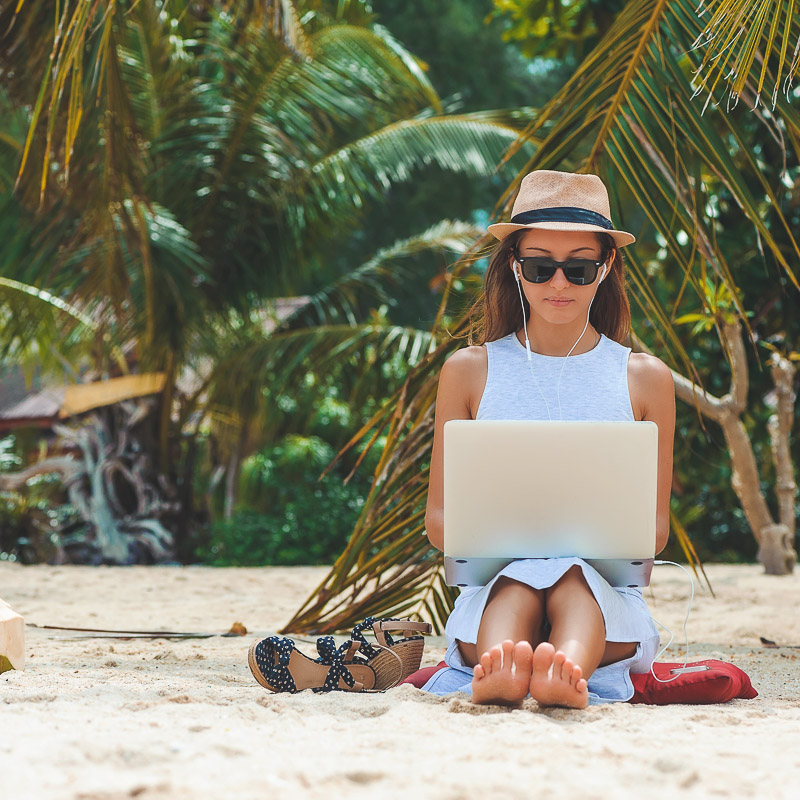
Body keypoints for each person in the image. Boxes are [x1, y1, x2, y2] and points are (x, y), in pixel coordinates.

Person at [422, 170, 675, 708]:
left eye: (578, 268)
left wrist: (565, 554)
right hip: (493, 591)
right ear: (516, 267)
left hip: (606, 600)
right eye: (540, 267)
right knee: (516, 582)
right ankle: (506, 668)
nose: (558, 285)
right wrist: (520, 548)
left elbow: (652, 531)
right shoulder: (468, 371)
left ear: (605, 268)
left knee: (574, 580)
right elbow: (440, 520)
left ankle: (566, 670)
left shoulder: (645, 377)